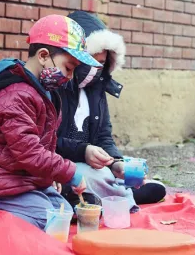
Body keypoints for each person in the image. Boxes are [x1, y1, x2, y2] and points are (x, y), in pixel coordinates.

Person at [0, 15, 102, 230]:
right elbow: (30, 152)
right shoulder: (16, 95)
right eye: (68, 67)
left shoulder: (43, 91)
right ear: (44, 56)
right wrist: (69, 172)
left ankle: (2, 207)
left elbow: (45, 143)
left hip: (26, 179)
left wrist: (49, 175)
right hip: (3, 182)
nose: (70, 77)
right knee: (45, 221)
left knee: (62, 210)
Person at [55, 11, 166, 212]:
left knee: (105, 174)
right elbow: (45, 142)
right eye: (91, 61)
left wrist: (116, 163)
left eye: (101, 63)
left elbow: (103, 136)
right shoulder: (55, 88)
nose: (95, 69)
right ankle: (118, 194)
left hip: (91, 165)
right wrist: (83, 151)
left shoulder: (97, 89)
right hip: (60, 165)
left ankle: (112, 190)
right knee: (94, 176)